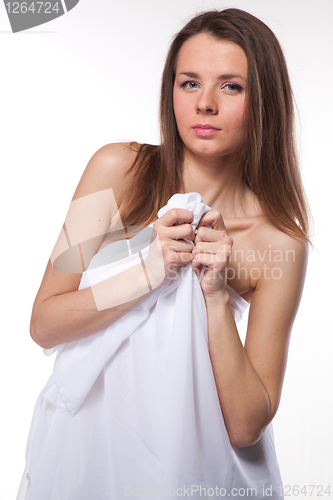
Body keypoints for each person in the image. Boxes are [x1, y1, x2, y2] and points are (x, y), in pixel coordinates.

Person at [17, 8, 311, 500]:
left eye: (231, 86)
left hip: (201, 471)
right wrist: (147, 272)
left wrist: (215, 296)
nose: (205, 105)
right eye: (189, 83)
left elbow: (245, 425)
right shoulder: (116, 171)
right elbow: (44, 322)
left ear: (265, 101)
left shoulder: (279, 243)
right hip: (88, 458)